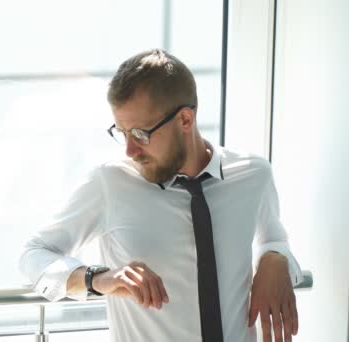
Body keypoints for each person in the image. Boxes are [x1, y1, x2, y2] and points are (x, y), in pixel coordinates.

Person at [18, 49, 302, 342]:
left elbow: (274, 238)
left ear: (185, 120)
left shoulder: (253, 175)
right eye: (122, 132)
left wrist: (275, 258)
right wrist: (98, 279)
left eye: (140, 134)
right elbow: (34, 254)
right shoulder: (110, 183)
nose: (129, 150)